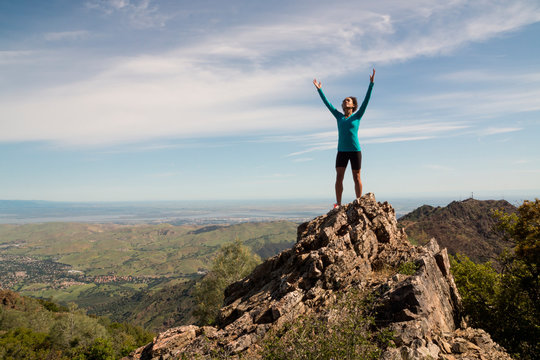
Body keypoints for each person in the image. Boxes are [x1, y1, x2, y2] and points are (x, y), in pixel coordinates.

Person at [313, 69, 375, 208]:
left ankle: (358, 202)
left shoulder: (357, 115)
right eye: (344, 101)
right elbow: (327, 104)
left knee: (356, 177)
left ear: (353, 105)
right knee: (339, 177)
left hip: (355, 150)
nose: (345, 102)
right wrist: (320, 90)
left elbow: (366, 101)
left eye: (348, 100)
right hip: (341, 150)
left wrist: (371, 84)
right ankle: (338, 203)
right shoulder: (339, 116)